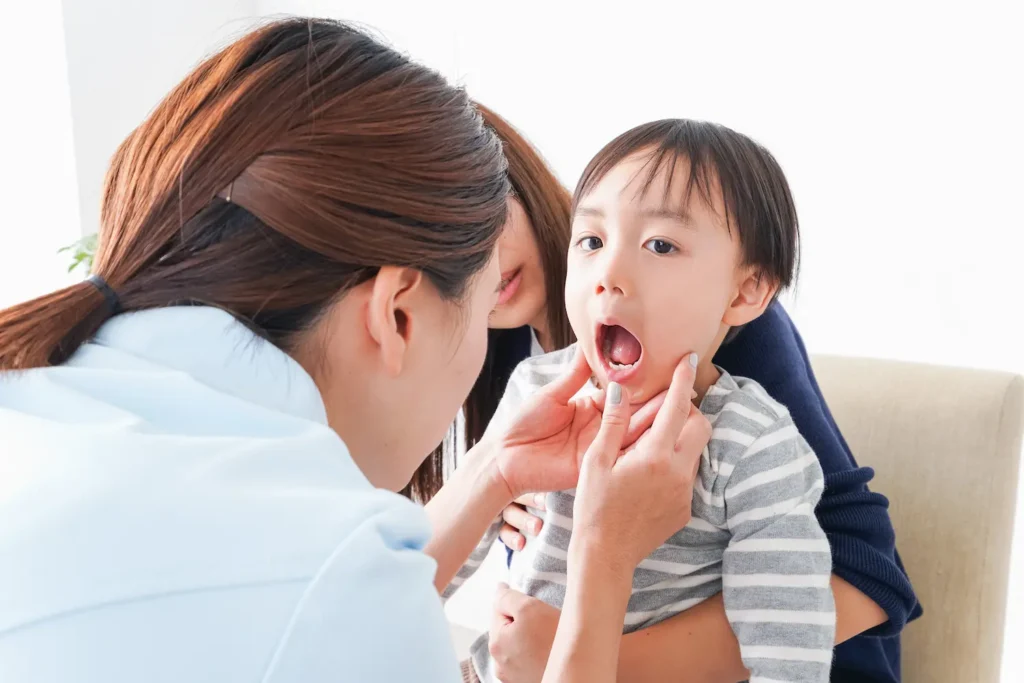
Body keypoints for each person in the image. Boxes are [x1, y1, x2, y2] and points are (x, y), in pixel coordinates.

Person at [0, 19, 712, 683]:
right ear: (398, 312)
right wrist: (603, 554)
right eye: (484, 295)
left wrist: (496, 469)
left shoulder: (44, 404)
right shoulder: (331, 574)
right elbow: (333, 600)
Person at [432, 112, 920, 682]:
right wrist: (493, 482)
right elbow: (421, 577)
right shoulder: (529, 382)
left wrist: (582, 655)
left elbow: (790, 643)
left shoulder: (749, 438)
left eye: (660, 245)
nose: (609, 272)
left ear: (745, 293)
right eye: (591, 241)